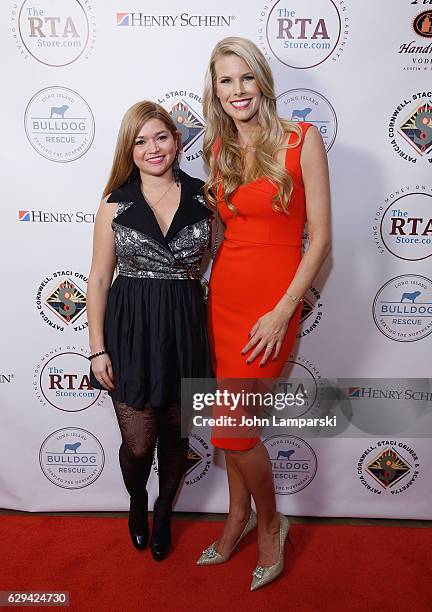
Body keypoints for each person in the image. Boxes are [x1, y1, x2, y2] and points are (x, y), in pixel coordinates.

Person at [196, 37, 331, 590]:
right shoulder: (217, 149)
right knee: (232, 424)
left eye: (245, 77)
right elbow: (228, 233)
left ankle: (271, 523)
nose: (237, 91)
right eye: (226, 81)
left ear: (262, 81)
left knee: (234, 429)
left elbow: (319, 239)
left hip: (273, 304)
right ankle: (237, 517)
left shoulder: (303, 139)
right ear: (216, 91)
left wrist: (285, 310)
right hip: (225, 297)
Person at [87, 101, 213, 561]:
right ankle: (137, 499)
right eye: (140, 141)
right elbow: (99, 278)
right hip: (131, 329)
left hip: (184, 325)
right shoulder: (115, 202)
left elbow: (202, 268)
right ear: (130, 149)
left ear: (177, 142)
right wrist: (97, 349)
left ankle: (164, 515)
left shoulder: (206, 196)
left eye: (160, 136)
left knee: (177, 438)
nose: (152, 148)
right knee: (139, 444)